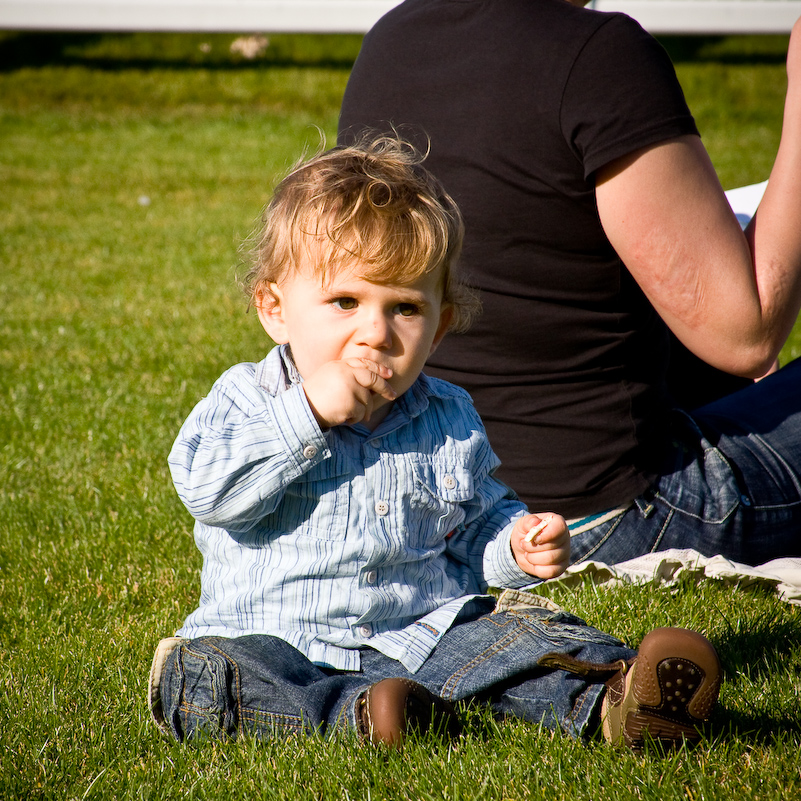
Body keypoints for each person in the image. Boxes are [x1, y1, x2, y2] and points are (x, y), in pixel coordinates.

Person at [147, 137, 721, 750]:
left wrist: (516, 548)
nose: (376, 331)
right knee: (204, 674)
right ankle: (356, 717)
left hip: (419, 638)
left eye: (405, 309)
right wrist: (308, 414)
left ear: (440, 325)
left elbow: (472, 530)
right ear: (275, 309)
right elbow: (208, 489)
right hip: (276, 639)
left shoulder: (447, 415)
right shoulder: (246, 399)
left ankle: (619, 697)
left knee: (513, 638)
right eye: (345, 301)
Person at [337, 0, 801, 568]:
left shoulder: (391, 38)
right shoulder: (599, 54)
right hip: (602, 517)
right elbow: (746, 337)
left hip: (444, 510)